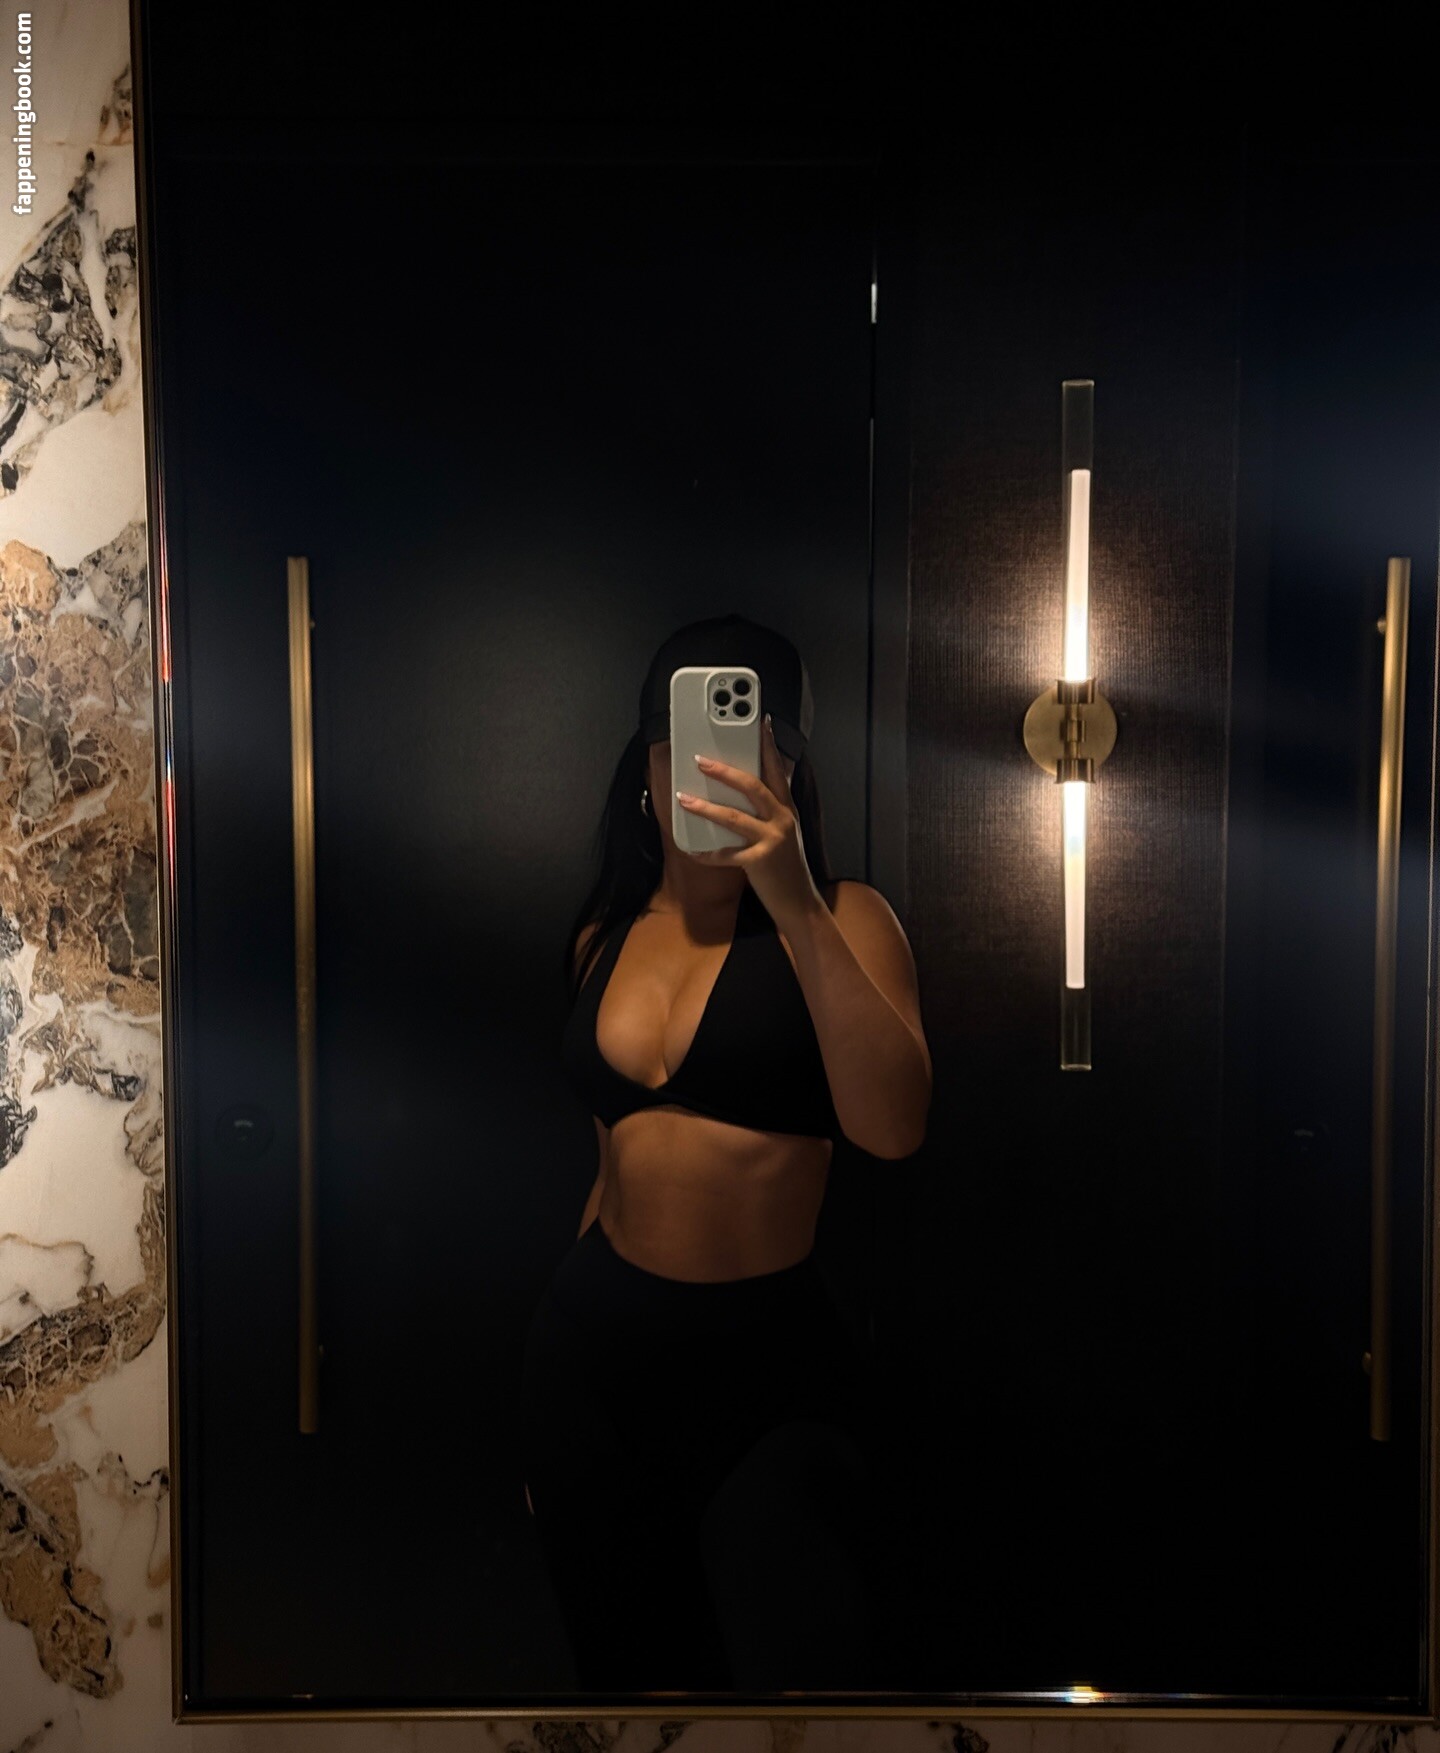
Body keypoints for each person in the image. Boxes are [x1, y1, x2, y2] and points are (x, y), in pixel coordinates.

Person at [520, 613, 932, 1692]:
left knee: (796, 1689)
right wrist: (546, 1408)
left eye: (742, 749)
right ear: (644, 776)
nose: (705, 776)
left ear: (787, 771)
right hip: (590, 1361)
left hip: (768, 1375)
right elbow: (609, 1169)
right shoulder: (601, 939)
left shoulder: (849, 918)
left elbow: (894, 1127)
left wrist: (790, 896)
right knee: (618, 1684)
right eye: (680, 751)